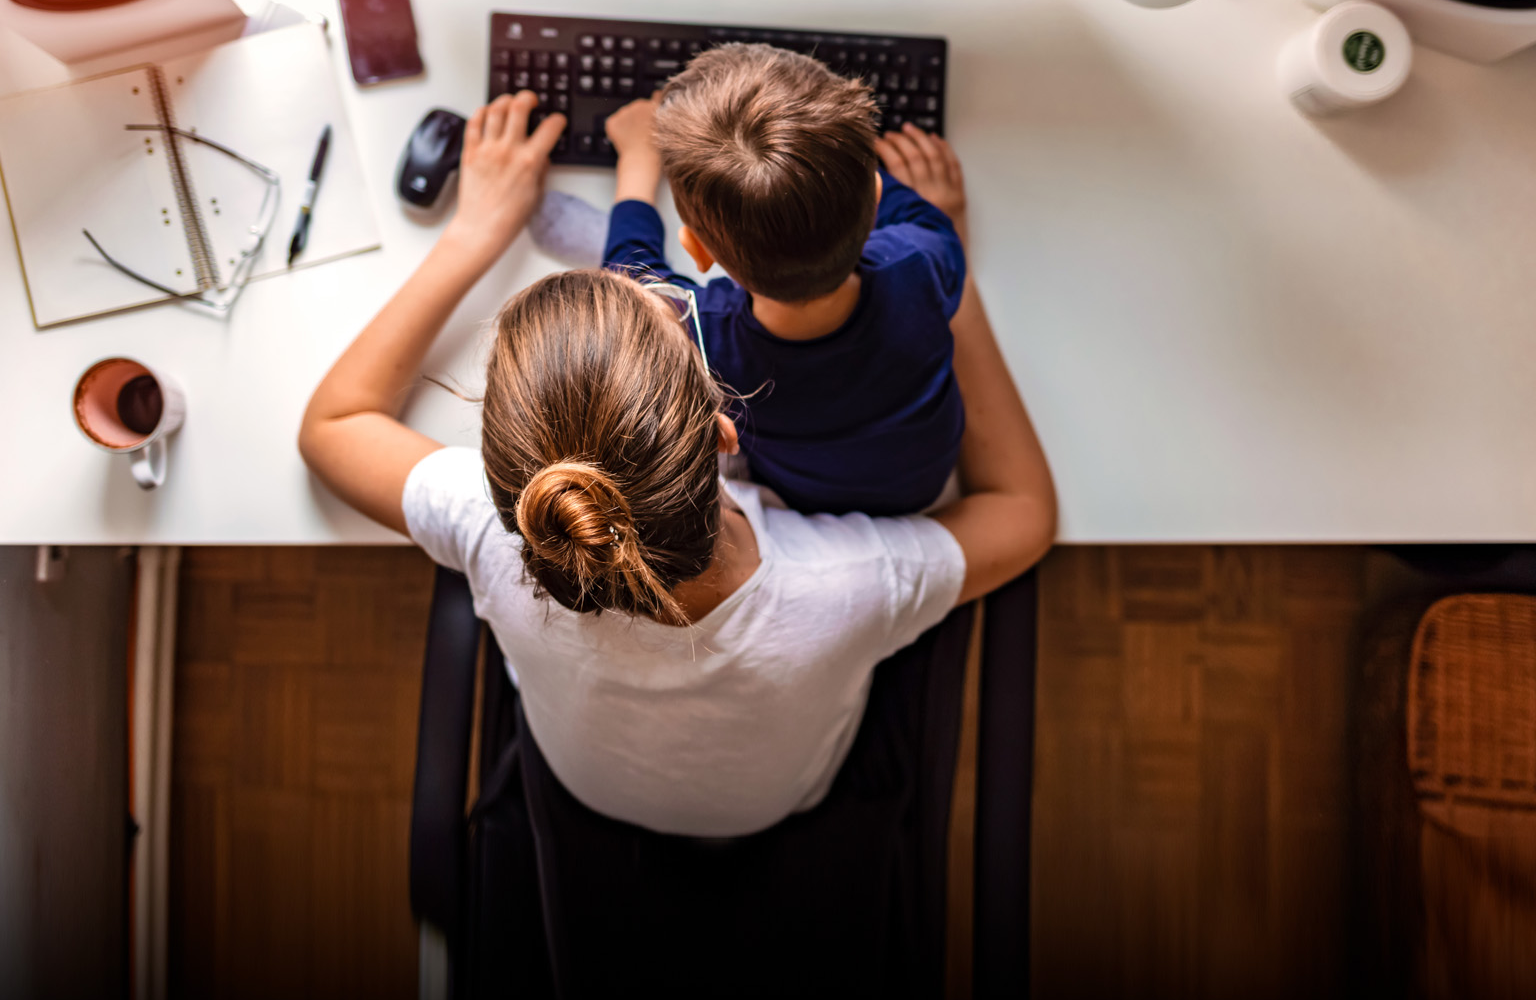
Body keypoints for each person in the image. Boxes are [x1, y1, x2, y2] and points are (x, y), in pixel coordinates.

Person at [298, 90, 1054, 837]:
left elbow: (333, 426)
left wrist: (474, 231)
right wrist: (946, 283)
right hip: (782, 804)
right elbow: (1024, 512)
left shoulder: (507, 530)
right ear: (729, 435)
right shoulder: (845, 585)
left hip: (583, 790)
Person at [602, 44, 965, 516]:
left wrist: (635, 163)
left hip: (804, 497)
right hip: (921, 484)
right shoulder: (924, 255)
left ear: (696, 250)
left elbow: (628, 280)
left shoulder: (704, 338)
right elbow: (916, 216)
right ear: (876, 201)